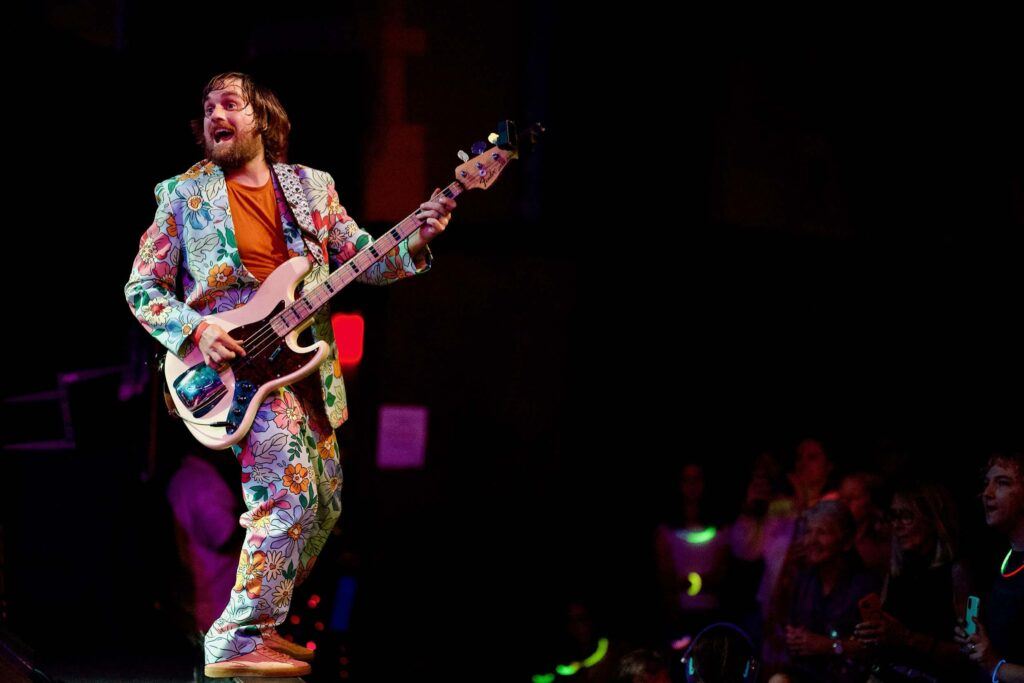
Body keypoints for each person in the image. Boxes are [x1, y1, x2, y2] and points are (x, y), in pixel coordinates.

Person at [125, 72, 454, 677]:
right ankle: (235, 634)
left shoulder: (312, 188)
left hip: (307, 370)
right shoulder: (181, 195)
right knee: (289, 491)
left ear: (261, 120)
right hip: (231, 368)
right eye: (206, 108)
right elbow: (142, 288)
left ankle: (261, 623)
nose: (214, 115)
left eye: (229, 104)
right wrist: (198, 330)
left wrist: (415, 241)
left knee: (323, 506)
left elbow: (363, 262)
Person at [954, 451, 1024, 683]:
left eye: (1002, 483)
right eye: (986, 483)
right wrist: (976, 642)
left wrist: (996, 666)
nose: (987, 493)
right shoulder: (1001, 559)